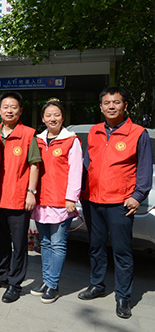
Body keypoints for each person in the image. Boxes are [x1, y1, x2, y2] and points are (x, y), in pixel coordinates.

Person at [78, 87, 152, 319]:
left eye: (116, 102)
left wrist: (137, 196)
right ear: (101, 107)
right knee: (96, 246)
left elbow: (144, 169)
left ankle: (123, 297)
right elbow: (87, 163)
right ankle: (97, 285)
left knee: (122, 251)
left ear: (125, 106)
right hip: (93, 200)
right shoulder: (95, 131)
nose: (111, 106)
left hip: (121, 203)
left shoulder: (138, 133)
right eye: (107, 103)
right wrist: (80, 191)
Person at [0, 91, 41, 303]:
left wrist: (31, 192)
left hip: (18, 197)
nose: (9, 111)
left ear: (20, 111)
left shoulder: (28, 134)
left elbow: (34, 165)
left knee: (19, 245)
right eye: (5, 107)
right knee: (0, 240)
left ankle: (15, 283)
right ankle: (1, 275)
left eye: (14, 107)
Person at [30, 99, 82, 304]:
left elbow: (76, 170)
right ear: (43, 119)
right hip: (41, 200)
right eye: (48, 115)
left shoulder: (71, 141)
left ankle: (53, 284)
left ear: (63, 117)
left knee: (58, 244)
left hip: (61, 201)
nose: (53, 118)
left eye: (56, 115)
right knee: (44, 243)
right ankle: (46, 281)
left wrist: (72, 198)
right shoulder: (37, 140)